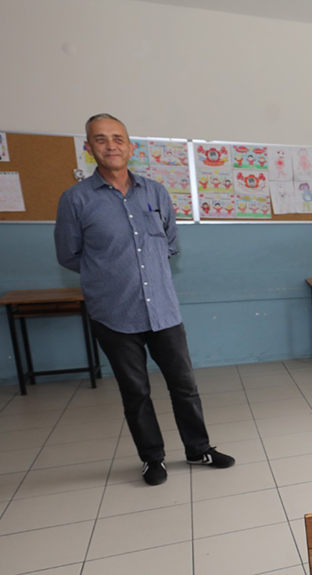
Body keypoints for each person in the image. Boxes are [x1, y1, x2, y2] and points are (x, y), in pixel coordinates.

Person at [55, 114, 235, 486]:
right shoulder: (76, 199)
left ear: (129, 146)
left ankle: (198, 449)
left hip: (164, 311)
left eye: (117, 138)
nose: (111, 145)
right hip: (114, 314)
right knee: (135, 393)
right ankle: (152, 459)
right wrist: (109, 276)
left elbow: (169, 243)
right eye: (101, 139)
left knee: (184, 386)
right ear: (89, 148)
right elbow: (69, 255)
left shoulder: (155, 192)